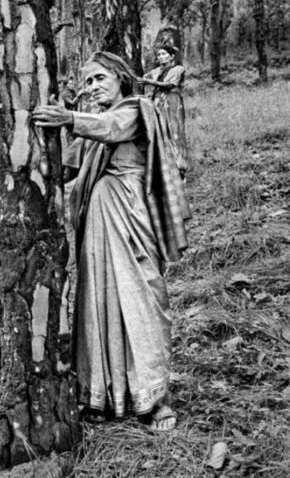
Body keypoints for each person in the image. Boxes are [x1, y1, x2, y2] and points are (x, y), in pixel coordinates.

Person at [33, 51, 190, 432]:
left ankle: (153, 398)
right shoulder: (90, 129)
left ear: (121, 77)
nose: (92, 87)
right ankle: (102, 395)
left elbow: (110, 127)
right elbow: (66, 169)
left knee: (141, 300)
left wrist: (70, 118)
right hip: (97, 223)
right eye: (87, 82)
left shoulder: (137, 109)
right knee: (97, 302)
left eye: (100, 78)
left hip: (132, 218)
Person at [139, 44, 188, 177]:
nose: (161, 57)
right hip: (158, 102)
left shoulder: (178, 69)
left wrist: (149, 82)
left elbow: (169, 85)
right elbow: (142, 78)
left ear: (172, 56)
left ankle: (179, 166)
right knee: (159, 131)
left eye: (164, 54)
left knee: (174, 131)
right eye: (159, 55)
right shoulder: (156, 71)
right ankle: (163, 166)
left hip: (172, 102)